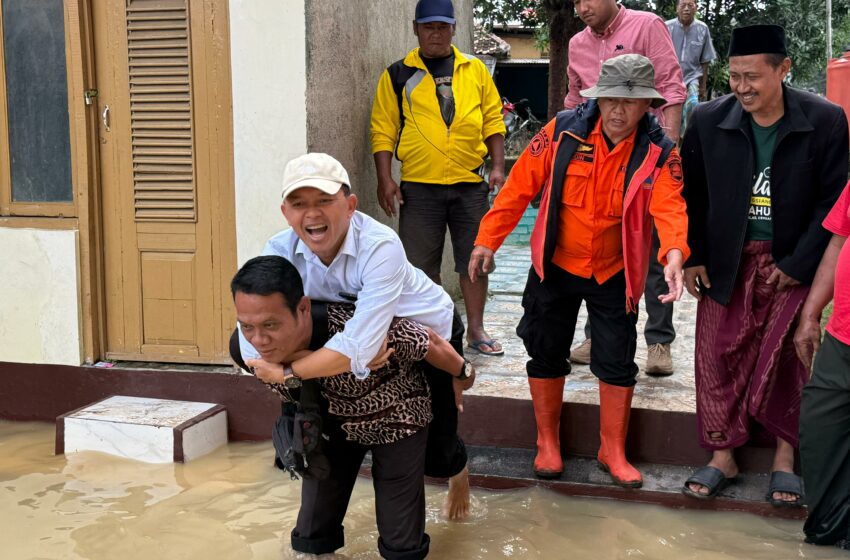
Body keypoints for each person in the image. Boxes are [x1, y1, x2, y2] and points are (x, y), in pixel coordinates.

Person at [469, 54, 689, 485]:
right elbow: (517, 189)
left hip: (614, 270)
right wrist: (487, 239)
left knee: (617, 360)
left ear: (649, 104)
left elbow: (670, 208)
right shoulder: (561, 132)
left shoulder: (661, 152)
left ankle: (613, 450)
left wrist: (675, 255)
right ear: (598, 97)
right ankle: (547, 443)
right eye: (610, 100)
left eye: (631, 102)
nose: (619, 111)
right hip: (556, 264)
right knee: (545, 349)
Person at [237, 152, 473, 519]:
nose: (312, 214)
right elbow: (249, 334)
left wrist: (290, 370)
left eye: (324, 202)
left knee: (439, 446)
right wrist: (341, 353)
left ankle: (459, 473)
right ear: (285, 212)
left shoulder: (380, 246)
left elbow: (361, 345)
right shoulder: (279, 251)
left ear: (349, 206)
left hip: (427, 331)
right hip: (351, 332)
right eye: (299, 204)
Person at [680, 24, 849, 506]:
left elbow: (833, 203)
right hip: (726, 260)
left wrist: (798, 262)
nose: (742, 87)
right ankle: (722, 456)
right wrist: (693, 254)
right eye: (734, 76)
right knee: (716, 355)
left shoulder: (825, 119)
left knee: (788, 358)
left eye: (753, 76)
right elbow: (690, 193)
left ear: (783, 69)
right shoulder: (708, 119)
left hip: (792, 260)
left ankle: (783, 457)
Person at [232, 255, 472, 559]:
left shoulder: (359, 329)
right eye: (247, 327)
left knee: (402, 543)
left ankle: (458, 469)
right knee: (311, 535)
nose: (259, 340)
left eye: (270, 324)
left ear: (303, 308)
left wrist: (465, 372)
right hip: (332, 424)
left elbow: (431, 342)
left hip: (398, 419)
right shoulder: (248, 351)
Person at [370, 0, 507, 357]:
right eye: (429, 26)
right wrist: (385, 179)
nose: (436, 33)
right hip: (419, 187)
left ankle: (476, 329)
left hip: (469, 185)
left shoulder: (474, 70)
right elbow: (383, 130)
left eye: (443, 27)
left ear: (453, 29)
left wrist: (497, 167)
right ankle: (433, 331)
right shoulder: (398, 74)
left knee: (475, 260)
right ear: (416, 29)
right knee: (418, 266)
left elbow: (493, 120)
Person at [566, 0, 688, 376]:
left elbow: (670, 86)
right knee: (598, 245)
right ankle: (595, 335)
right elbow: (574, 101)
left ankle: (658, 341)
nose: (581, 8)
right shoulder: (576, 44)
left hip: (643, 153)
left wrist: (667, 150)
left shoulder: (646, 25)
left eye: (587, 0)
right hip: (595, 157)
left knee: (652, 249)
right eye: (575, 2)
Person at [795, 180, 850, 550]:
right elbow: (837, 241)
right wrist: (811, 314)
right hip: (842, 336)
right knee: (818, 427)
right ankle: (828, 529)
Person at [665, 0, 717, 133]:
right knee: (670, 110)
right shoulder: (667, 27)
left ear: (696, 8)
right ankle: (671, 143)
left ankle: (686, 139)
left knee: (693, 105)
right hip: (671, 77)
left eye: (690, 5)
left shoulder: (702, 28)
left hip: (692, 77)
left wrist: (703, 86)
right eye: (683, 5)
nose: (686, 9)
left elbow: (705, 60)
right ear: (677, 8)